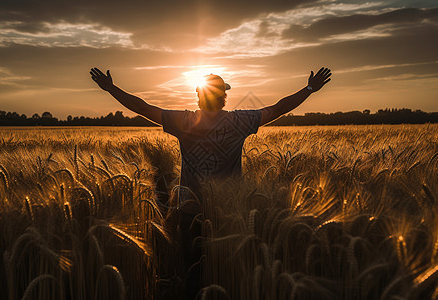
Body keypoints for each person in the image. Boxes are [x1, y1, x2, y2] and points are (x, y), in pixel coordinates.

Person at [89, 66, 331, 298]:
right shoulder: (239, 122)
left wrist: (112, 89)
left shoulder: (183, 121)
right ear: (223, 97)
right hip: (227, 215)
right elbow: (278, 108)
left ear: (199, 97)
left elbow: (143, 108)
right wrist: (309, 89)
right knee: (227, 277)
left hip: (190, 213)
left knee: (193, 277)